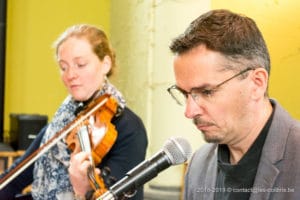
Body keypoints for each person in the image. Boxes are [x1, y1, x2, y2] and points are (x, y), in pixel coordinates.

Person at [0, 24, 148, 200]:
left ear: (105, 64)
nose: (70, 75)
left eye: (80, 64)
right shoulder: (65, 119)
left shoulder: (129, 128)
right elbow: (16, 177)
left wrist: (82, 188)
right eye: (64, 67)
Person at [167, 9, 300, 200]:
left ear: (257, 83)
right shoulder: (198, 165)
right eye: (184, 94)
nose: (190, 111)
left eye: (207, 92)